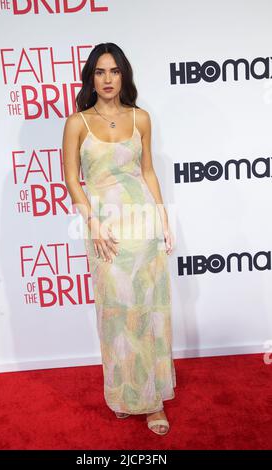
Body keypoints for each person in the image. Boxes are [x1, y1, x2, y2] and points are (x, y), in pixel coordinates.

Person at [62, 42, 176, 436]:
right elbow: (72, 179)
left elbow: (147, 172)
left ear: (123, 74)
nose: (107, 79)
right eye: (99, 72)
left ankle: (153, 399)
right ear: (90, 77)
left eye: (114, 71)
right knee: (115, 316)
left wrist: (162, 217)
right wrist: (91, 222)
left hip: (142, 227)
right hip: (105, 230)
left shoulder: (141, 118)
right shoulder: (78, 122)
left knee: (147, 313)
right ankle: (125, 392)